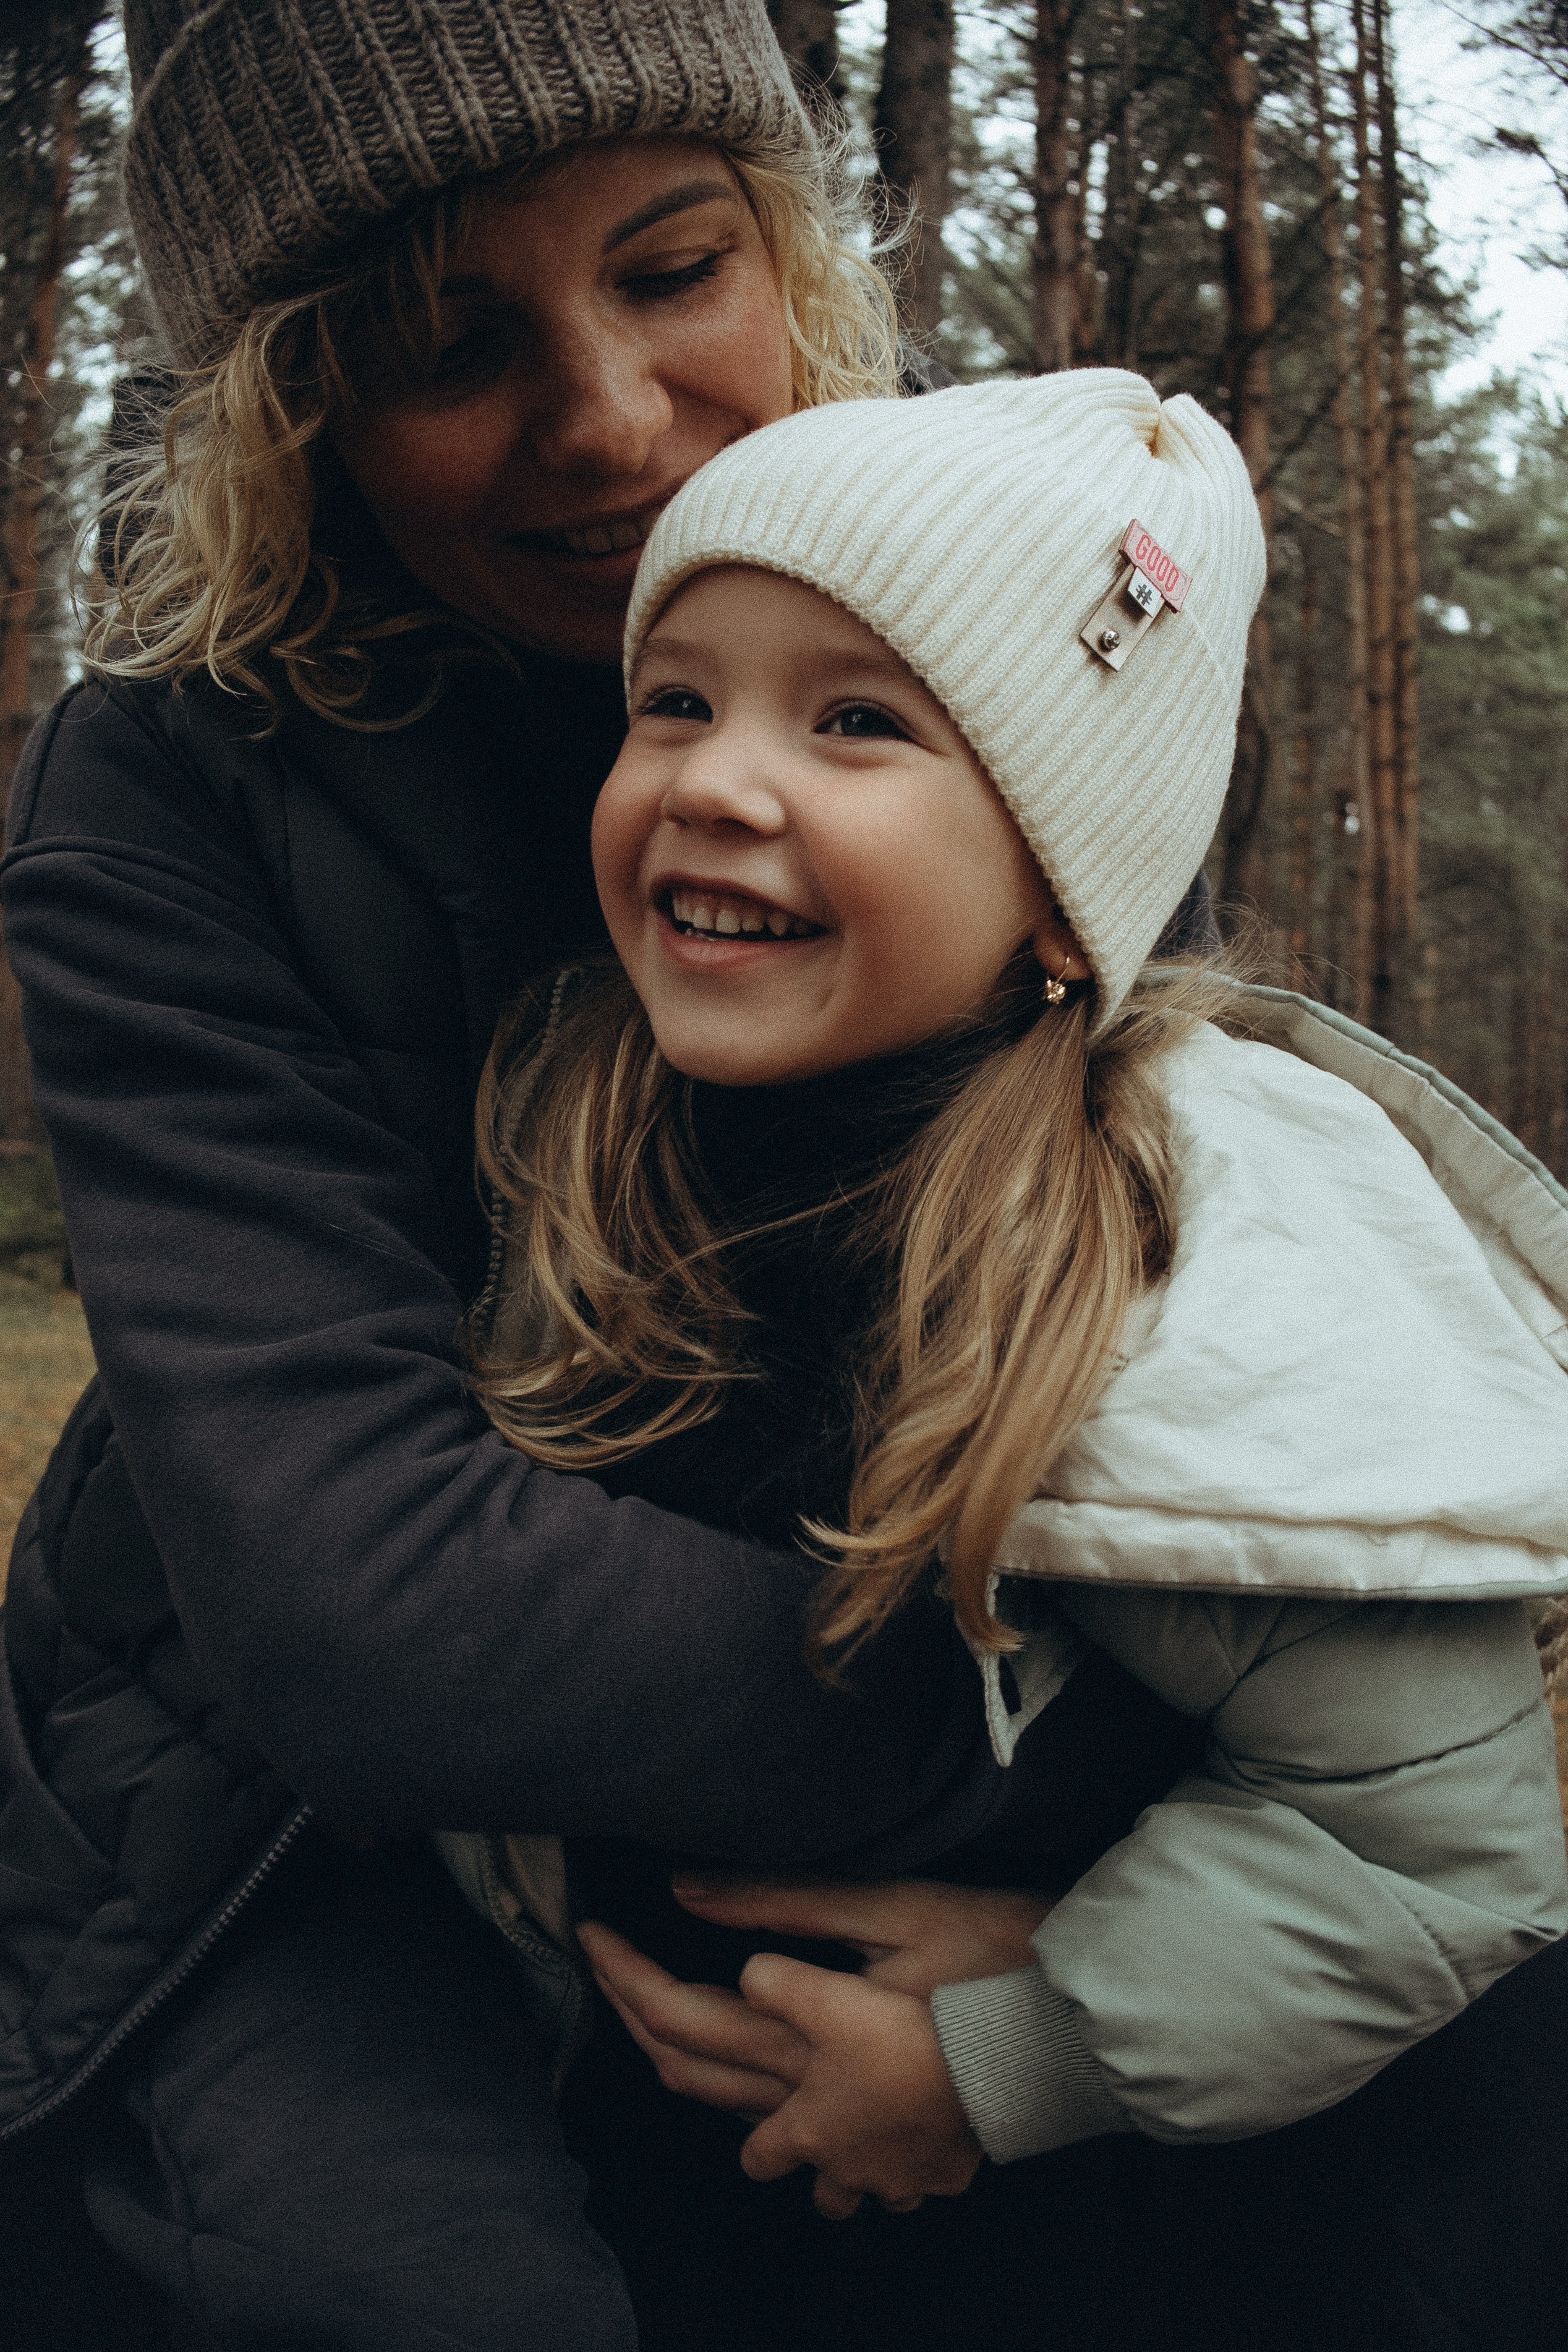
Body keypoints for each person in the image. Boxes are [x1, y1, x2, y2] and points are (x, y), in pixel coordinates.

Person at [0, 7, 1210, 2348]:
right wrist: (1015, 1750)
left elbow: (1180, 1362)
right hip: (270, 1829)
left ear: (791, 256)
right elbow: (360, 1603)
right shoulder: (168, 796)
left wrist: (1102, 1943)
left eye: (673, 270)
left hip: (848, 1702)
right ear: (300, 411)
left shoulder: (1011, 670)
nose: (611, 415)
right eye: (452, 344)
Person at [458, 371, 1568, 2349]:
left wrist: (1010, 2051)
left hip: (1195, 2223)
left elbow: (1431, 1838)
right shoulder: (606, 1145)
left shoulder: (1175, 1261)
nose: (717, 780)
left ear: (1065, 883)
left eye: (857, 722)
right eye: (678, 700)